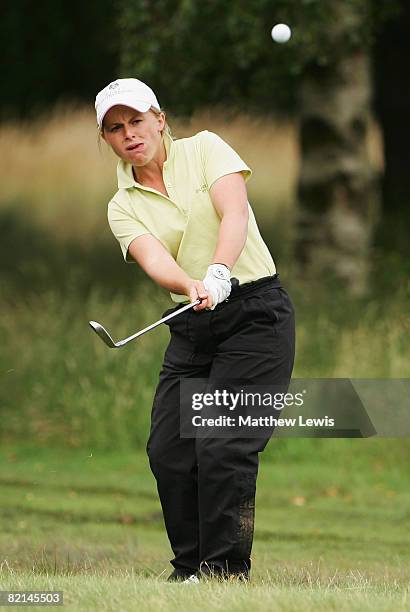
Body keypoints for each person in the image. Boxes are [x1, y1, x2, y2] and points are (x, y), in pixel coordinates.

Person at [95, 78, 295, 583]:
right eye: (115, 128)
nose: (129, 134)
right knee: (170, 451)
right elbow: (155, 260)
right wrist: (191, 285)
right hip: (192, 324)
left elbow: (235, 212)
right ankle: (189, 569)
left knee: (224, 443)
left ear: (160, 120)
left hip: (255, 314)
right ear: (107, 140)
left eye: (137, 121)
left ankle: (224, 572)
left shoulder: (206, 148)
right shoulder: (123, 204)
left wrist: (220, 272)